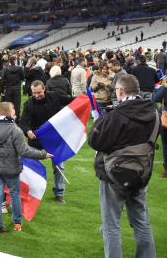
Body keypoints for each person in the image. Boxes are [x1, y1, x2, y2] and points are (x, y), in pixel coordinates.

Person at [88, 75, 158, 258]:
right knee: (142, 221)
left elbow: (96, 142)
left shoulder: (116, 115)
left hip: (113, 175)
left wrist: (102, 122)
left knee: (111, 225)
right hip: (141, 173)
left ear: (120, 91)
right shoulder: (153, 111)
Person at [0, 102, 52, 234]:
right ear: (10, 113)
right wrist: (43, 154)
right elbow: (25, 151)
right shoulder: (16, 130)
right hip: (12, 170)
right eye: (14, 110)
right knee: (15, 195)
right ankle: (17, 224)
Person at [20, 80, 73, 203]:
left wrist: (85, 98)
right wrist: (28, 131)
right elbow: (23, 122)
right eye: (34, 93)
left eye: (39, 92)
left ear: (44, 89)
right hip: (35, 140)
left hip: (54, 139)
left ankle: (59, 192)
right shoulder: (28, 103)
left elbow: (71, 101)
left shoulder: (54, 96)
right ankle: (30, 191)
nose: (37, 95)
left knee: (59, 165)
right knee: (29, 165)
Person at [0, 56, 25, 121]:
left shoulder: (6, 69)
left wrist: (2, 90)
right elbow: (22, 78)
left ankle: (8, 118)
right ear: (15, 61)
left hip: (8, 89)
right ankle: (17, 118)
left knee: (9, 105)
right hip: (16, 89)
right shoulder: (19, 69)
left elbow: (2, 80)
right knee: (17, 105)